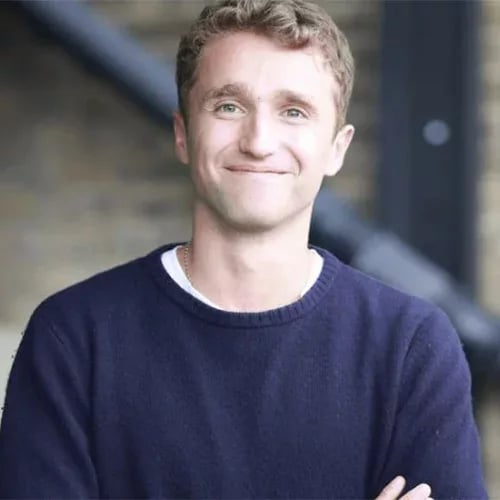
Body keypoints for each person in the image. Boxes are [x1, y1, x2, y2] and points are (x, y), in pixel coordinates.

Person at [0, 0, 487, 498]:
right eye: (229, 106)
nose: (258, 141)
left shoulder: (411, 347)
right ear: (183, 135)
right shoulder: (74, 338)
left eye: (293, 111)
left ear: (336, 148)